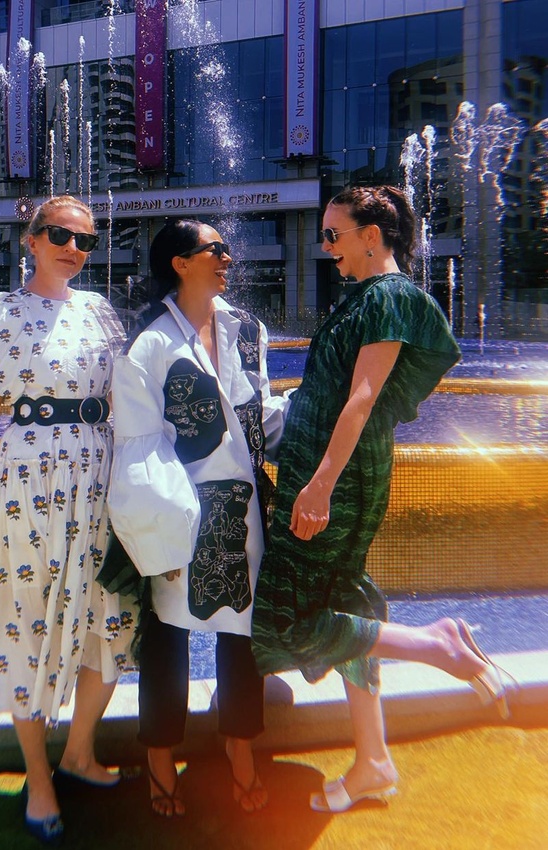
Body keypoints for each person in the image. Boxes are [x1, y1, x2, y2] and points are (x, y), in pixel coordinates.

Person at [251, 185, 512, 814]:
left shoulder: (388, 297)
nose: (325, 247)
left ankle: (437, 645)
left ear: (372, 236)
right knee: (345, 600)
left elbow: (362, 400)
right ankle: (373, 761)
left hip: (334, 479)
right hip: (329, 470)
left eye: (333, 234)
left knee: (287, 620)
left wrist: (319, 484)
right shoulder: (368, 297)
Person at [0, 194, 136, 845]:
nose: (73, 248)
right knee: (26, 624)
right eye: (59, 234)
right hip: (27, 486)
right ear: (31, 240)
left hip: (99, 480)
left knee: (112, 615)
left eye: (85, 239)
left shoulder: (100, 311)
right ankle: (39, 780)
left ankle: (79, 752)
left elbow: (122, 401)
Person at [107, 219, 288, 817]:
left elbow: (260, 412)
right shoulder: (150, 344)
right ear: (180, 263)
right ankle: (160, 756)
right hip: (178, 506)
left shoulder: (246, 330)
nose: (227, 257)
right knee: (167, 632)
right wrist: (161, 523)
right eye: (216, 249)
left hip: (243, 506)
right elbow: (138, 443)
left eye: (227, 249)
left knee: (244, 633)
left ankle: (241, 745)